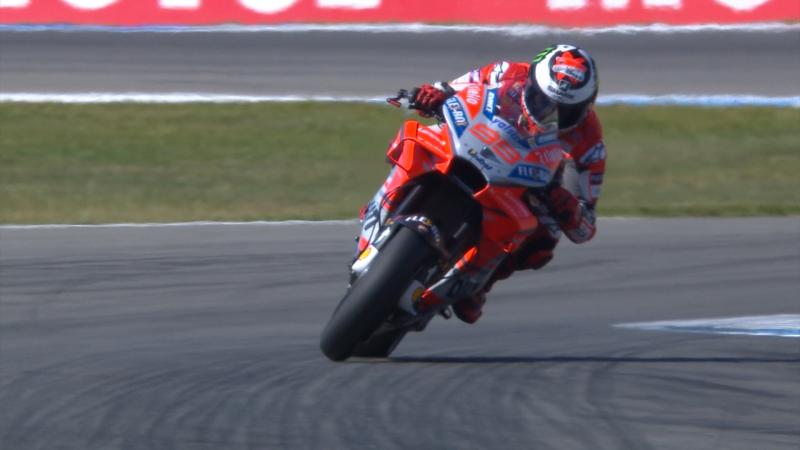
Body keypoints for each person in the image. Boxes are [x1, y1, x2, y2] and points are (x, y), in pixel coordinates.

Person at [359, 44, 606, 324]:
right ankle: (382, 207)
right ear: (531, 82)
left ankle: (480, 282)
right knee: (415, 141)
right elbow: (451, 89)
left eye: (565, 111)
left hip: (526, 184)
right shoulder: (506, 72)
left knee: (544, 238)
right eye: (542, 100)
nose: (550, 112)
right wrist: (430, 95)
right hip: (475, 144)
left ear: (585, 107)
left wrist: (568, 208)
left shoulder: (589, 145)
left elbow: (585, 229)